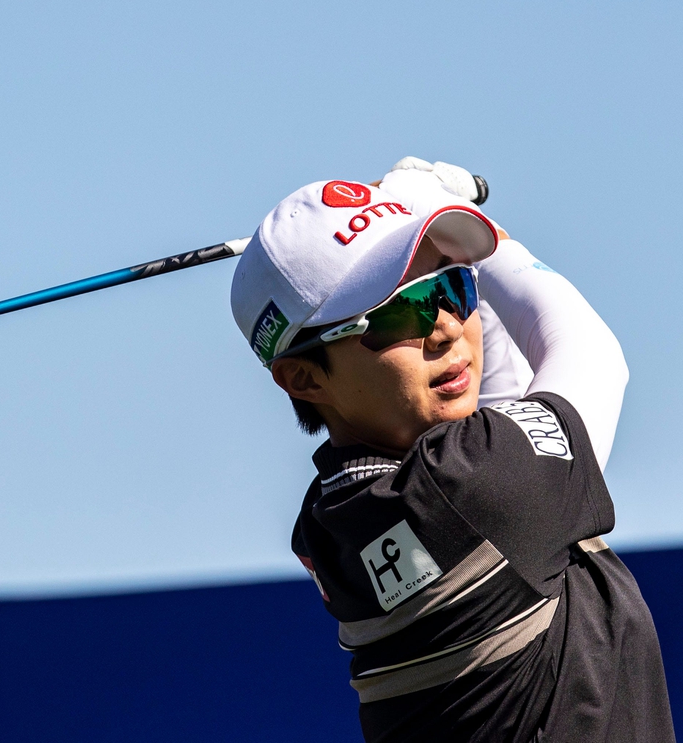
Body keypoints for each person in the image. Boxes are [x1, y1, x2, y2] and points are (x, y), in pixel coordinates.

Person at [229, 159, 674, 742]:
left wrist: (434, 234)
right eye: (393, 314)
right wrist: (456, 223)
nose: (444, 327)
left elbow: (491, 393)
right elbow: (590, 353)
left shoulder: (332, 519)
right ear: (304, 378)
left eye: (451, 287)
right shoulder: (473, 488)